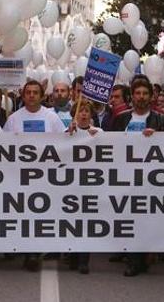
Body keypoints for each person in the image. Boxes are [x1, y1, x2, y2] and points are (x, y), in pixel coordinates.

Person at [111, 76, 164, 277]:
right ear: (132, 96)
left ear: (151, 96)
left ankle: (144, 255)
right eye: (138, 93)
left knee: (147, 220)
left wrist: (158, 137)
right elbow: (109, 144)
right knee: (131, 218)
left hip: (152, 180)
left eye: (145, 93)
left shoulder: (161, 120)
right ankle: (134, 260)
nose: (141, 97)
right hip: (127, 179)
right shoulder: (121, 119)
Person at [3, 79, 65, 272]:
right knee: (24, 215)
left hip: (46, 177)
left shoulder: (52, 117)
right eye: (28, 92)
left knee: (41, 215)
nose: (31, 95)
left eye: (35, 92)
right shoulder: (13, 118)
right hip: (20, 177)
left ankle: (35, 252)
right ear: (23, 95)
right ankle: (27, 250)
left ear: (42, 95)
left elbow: (65, 143)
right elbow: (3, 145)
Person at [66, 99, 102, 274]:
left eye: (87, 111)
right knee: (71, 223)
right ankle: (72, 257)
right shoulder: (67, 132)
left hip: (90, 186)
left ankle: (83, 260)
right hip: (70, 186)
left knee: (85, 224)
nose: (84, 114)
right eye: (81, 111)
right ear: (75, 114)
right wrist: (67, 134)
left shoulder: (99, 133)